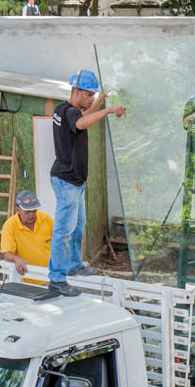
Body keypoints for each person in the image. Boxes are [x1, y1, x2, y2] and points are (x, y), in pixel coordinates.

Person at [49, 69, 126, 297]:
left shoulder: (64, 110)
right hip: (67, 181)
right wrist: (109, 110)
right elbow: (82, 123)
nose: (91, 98)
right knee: (63, 230)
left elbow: (82, 119)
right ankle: (56, 278)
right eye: (90, 95)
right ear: (78, 91)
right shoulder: (71, 113)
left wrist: (100, 101)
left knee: (77, 225)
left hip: (74, 181)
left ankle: (74, 264)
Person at [0, 190, 53, 281]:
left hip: (49, 276)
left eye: (34, 211)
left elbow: (58, 243)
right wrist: (16, 259)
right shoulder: (10, 226)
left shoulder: (46, 219)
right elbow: (7, 253)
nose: (31, 215)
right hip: (26, 279)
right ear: (18, 209)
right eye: (27, 211)